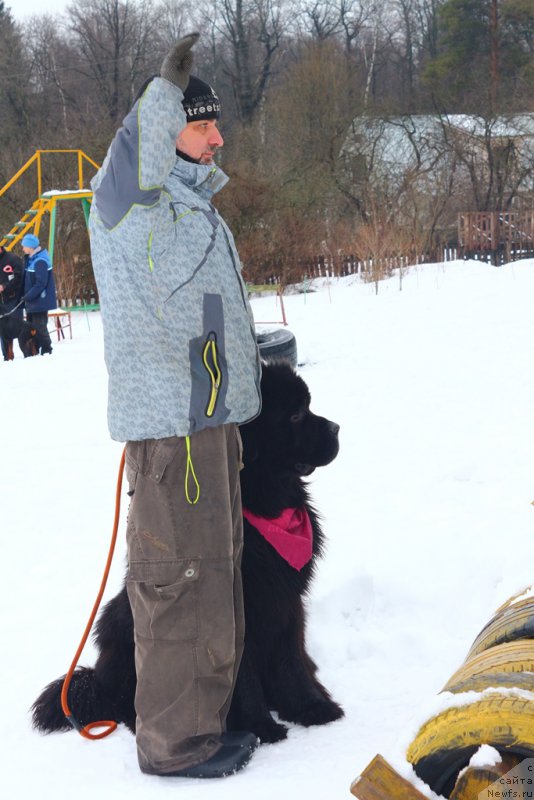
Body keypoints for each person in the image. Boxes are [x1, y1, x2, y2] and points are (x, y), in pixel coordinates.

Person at [89, 33, 262, 778]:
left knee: (216, 572)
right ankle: (172, 744)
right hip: (170, 437)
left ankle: (210, 719)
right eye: (202, 124)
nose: (218, 137)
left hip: (212, 426)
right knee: (178, 582)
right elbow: (138, 147)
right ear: (167, 131)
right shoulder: (125, 203)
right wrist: (166, 90)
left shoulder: (194, 209)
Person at [21, 233, 56, 355]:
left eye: (24, 245)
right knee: (33, 327)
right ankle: (36, 349)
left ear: (30, 247)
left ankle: (47, 349)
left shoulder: (40, 261)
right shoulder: (31, 260)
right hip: (32, 301)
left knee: (40, 327)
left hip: (40, 301)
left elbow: (41, 284)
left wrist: (28, 296)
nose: (22, 248)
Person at [0, 244, 24, 360]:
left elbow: (19, 277)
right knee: (3, 330)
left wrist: (4, 286)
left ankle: (29, 354)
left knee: (17, 328)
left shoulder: (13, 259)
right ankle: (7, 357)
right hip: (1, 302)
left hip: (13, 299)